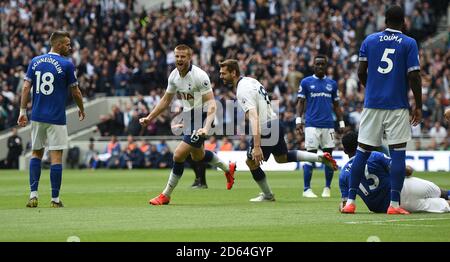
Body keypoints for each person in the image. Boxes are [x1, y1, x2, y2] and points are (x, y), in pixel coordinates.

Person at [219, 59, 338, 202]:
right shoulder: (251, 81)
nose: (221, 76)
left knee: (251, 162)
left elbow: (254, 118)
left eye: (223, 73)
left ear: (233, 73)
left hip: (265, 127)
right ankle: (319, 158)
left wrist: (257, 146)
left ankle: (268, 195)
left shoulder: (242, 90)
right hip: (275, 122)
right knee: (282, 158)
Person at [342, 5, 422, 214]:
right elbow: (414, 75)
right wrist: (419, 105)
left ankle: (350, 202)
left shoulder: (369, 40)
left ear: (384, 21)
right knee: (397, 154)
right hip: (397, 106)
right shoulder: (409, 43)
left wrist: (373, 88)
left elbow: (361, 71)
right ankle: (394, 205)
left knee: (362, 153)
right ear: (403, 22)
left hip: (372, 105)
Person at [139, 44, 236, 205]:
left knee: (178, 155)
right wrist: (150, 117)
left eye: (183, 56)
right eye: (177, 56)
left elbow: (212, 104)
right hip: (189, 116)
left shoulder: (200, 76)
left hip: (202, 116)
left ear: (189, 58)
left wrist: (206, 126)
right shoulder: (173, 76)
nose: (179, 59)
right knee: (198, 155)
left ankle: (166, 195)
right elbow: (165, 100)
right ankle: (228, 168)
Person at [17, 30, 85, 208]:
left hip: (37, 116)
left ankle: (33, 196)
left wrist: (22, 111)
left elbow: (25, 88)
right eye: (68, 44)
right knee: (56, 157)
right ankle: (55, 200)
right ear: (59, 44)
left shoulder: (35, 61)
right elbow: (75, 91)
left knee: (36, 154)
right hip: (56, 117)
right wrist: (81, 108)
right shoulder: (67, 65)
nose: (70, 47)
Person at [339, 132, 450, 213]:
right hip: (399, 192)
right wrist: (406, 167)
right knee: (439, 192)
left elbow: (344, 206)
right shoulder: (374, 155)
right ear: (360, 143)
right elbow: (405, 171)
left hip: (383, 208)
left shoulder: (343, 175)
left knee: (439, 205)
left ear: (344, 151)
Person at [296, 54, 344, 198]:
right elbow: (300, 102)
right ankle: (306, 189)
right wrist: (298, 120)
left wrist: (341, 122)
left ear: (326, 66)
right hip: (311, 125)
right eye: (318, 64)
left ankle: (327, 188)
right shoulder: (306, 82)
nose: (320, 66)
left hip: (328, 125)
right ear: (313, 65)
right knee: (310, 156)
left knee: (328, 157)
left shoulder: (332, 84)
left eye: (323, 64)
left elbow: (336, 105)